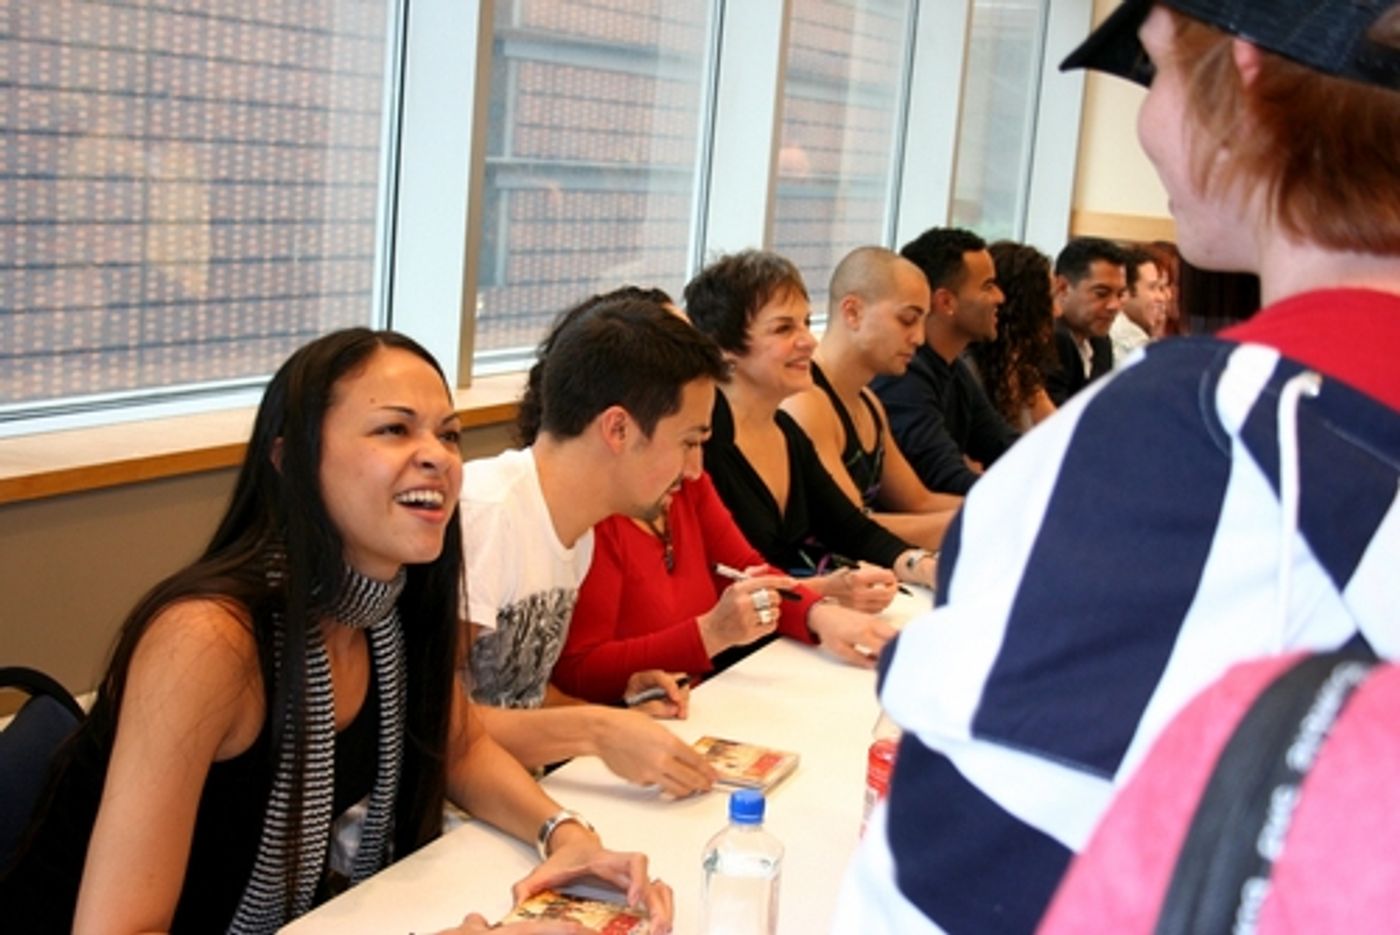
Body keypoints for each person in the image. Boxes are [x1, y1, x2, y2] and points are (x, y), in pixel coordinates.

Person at [835, 0, 1400, 931]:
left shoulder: (1183, 444)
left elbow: (952, 890)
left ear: (1245, 73)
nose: (1148, 122)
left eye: (1158, 68)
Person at [0, 329, 673, 933]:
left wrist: (566, 835)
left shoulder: (393, 601)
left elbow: (460, 745)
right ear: (291, 459)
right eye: (394, 429)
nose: (437, 457)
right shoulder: (207, 640)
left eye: (448, 434)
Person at [460, 291, 723, 798]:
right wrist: (598, 731)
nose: (695, 471)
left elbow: (515, 697)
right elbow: (427, 722)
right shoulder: (487, 515)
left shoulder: (575, 532)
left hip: (513, 797)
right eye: (689, 442)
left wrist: (620, 715)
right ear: (618, 428)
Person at [683, 249, 938, 607]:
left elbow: (852, 529)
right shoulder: (701, 443)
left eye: (805, 323)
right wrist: (823, 591)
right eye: (784, 328)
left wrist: (924, 566)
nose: (809, 340)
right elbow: (719, 580)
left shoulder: (786, 432)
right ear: (725, 348)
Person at [781, 246, 963, 550]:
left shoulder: (869, 403)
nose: (919, 338)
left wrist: (1005, 507)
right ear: (852, 312)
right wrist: (976, 521)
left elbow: (918, 501)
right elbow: (853, 527)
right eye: (907, 319)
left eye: (922, 322)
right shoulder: (806, 403)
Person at [872, 227, 1018, 495]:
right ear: (946, 302)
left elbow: (1004, 444)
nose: (1000, 297)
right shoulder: (903, 376)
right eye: (988, 286)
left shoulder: (954, 369)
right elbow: (944, 478)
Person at [966, 240, 1059, 430]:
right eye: (1047, 301)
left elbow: (1058, 430)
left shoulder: (1020, 369)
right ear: (1020, 307)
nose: (1057, 312)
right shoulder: (969, 370)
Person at [1044, 236, 1129, 404]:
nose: (1114, 306)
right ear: (1062, 288)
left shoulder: (1101, 343)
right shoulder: (1051, 340)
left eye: (1120, 295)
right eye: (1102, 294)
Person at [1109, 244, 1169, 364]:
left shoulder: (1142, 337)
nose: (1162, 297)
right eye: (1152, 287)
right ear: (1125, 292)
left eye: (1161, 288)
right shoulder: (1126, 343)